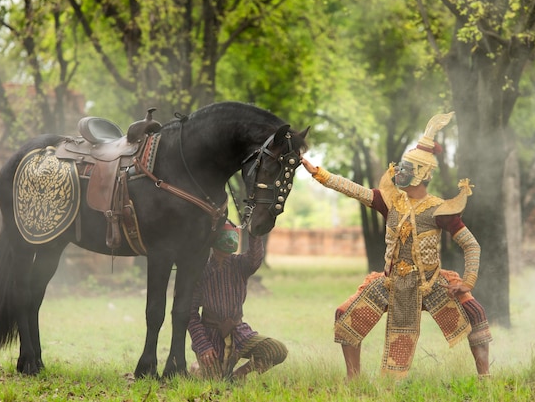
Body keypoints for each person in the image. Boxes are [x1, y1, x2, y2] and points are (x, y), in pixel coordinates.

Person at [301, 112, 492, 379]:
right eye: (400, 167)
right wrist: (319, 173)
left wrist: (468, 281)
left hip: (429, 284)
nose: (398, 172)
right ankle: (353, 380)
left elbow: (471, 245)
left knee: (475, 313)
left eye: (405, 168)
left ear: (422, 173)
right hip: (391, 283)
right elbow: (353, 189)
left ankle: (485, 378)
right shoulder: (389, 200)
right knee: (344, 315)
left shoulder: (440, 210)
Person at [187, 221, 288, 381]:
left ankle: (238, 375)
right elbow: (190, 314)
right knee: (216, 380)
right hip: (211, 336)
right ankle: (197, 366)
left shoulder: (240, 264)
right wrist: (203, 346)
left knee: (277, 350)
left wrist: (254, 232)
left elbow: (255, 259)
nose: (227, 246)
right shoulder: (201, 272)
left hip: (239, 332)